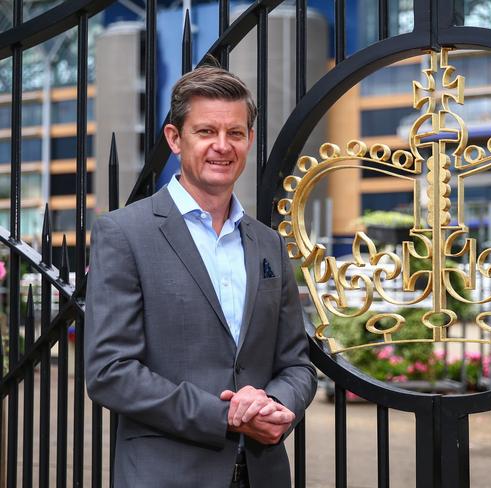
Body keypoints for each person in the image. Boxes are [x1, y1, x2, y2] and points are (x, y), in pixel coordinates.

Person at [85, 64, 317, 488]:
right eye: (206, 131)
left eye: (235, 133)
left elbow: (297, 364)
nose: (222, 146)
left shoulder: (268, 244)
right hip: (165, 475)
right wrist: (224, 415)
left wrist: (276, 403)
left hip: (263, 474)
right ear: (175, 138)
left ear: (249, 139)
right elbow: (110, 371)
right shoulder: (124, 233)